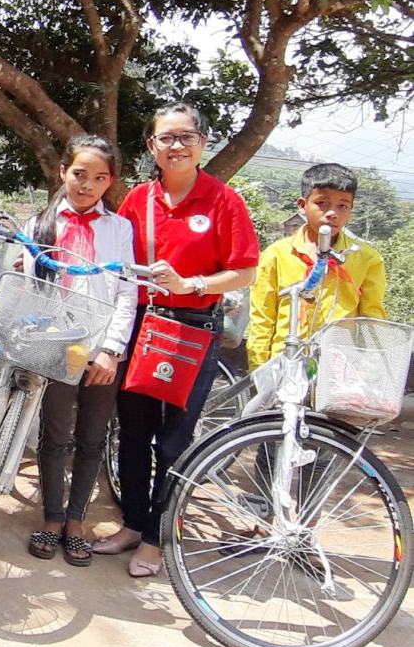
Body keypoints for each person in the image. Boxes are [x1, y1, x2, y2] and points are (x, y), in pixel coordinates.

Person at [97, 102, 259, 578]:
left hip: (193, 329)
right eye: (166, 138)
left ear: (202, 143)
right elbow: (117, 262)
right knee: (132, 431)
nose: (177, 146)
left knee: (175, 440)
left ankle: (157, 537)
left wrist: (193, 284)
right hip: (142, 326)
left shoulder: (224, 201)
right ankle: (132, 523)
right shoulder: (138, 201)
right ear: (152, 146)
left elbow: (245, 271)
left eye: (186, 137)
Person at [20, 136, 137, 568]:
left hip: (103, 350)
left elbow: (127, 291)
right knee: (55, 436)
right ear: (62, 172)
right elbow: (31, 287)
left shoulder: (119, 229)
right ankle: (52, 517)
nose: (87, 185)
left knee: (92, 438)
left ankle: (77, 521)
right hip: (56, 346)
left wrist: (111, 349)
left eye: (99, 178)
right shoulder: (39, 226)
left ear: (110, 182)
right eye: (79, 174)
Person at [248, 162, 386, 369]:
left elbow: (372, 319)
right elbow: (262, 317)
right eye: (322, 203)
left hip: (340, 365)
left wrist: (369, 366)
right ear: (302, 205)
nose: (332, 213)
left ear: (351, 208)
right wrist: (258, 368)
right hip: (285, 362)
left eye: (343, 206)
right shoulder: (277, 255)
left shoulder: (366, 258)